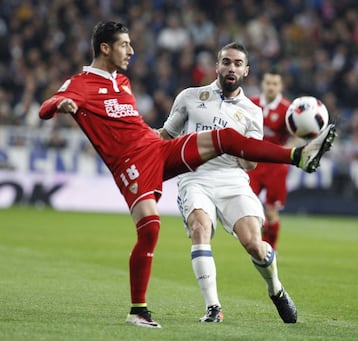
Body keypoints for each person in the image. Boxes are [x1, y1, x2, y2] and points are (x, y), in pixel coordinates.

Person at [38, 21, 335, 329]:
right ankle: (144, 309)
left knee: (226, 140)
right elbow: (46, 106)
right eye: (125, 44)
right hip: (134, 164)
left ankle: (298, 156)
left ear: (246, 70)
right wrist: (61, 103)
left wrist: (155, 136)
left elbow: (139, 128)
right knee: (152, 228)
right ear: (105, 47)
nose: (131, 50)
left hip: (163, 152)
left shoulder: (122, 82)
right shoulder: (82, 83)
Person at [159, 43, 293, 324]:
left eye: (237, 63)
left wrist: (234, 149)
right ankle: (213, 308)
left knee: (255, 244)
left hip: (232, 180)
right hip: (195, 178)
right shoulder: (190, 97)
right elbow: (166, 135)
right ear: (217, 66)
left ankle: (276, 289)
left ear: (246, 70)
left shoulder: (251, 111)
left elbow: (251, 163)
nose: (231, 68)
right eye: (226, 62)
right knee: (199, 226)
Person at [249, 70, 292, 250]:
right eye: (268, 83)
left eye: (275, 84)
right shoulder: (251, 104)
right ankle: (257, 241)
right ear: (263, 84)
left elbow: (295, 136)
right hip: (254, 164)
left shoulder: (288, 109)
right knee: (247, 206)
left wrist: (287, 151)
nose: (271, 87)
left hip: (276, 166)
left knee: (271, 210)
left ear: (280, 86)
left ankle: (270, 250)